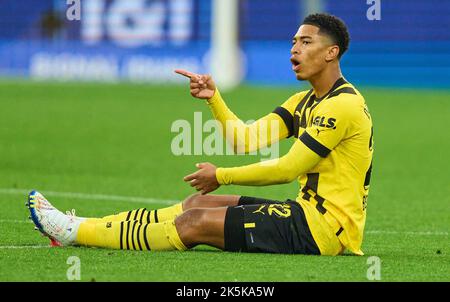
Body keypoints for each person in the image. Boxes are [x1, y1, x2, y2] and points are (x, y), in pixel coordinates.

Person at [27, 13, 373, 256]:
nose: (294, 49)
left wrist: (221, 175)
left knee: (192, 224)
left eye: (305, 42)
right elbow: (245, 140)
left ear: (332, 53)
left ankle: (73, 232)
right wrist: (215, 99)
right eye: (294, 41)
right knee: (195, 204)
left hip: (324, 231)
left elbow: (287, 168)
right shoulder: (304, 101)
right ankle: (80, 225)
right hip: (304, 214)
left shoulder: (341, 106)